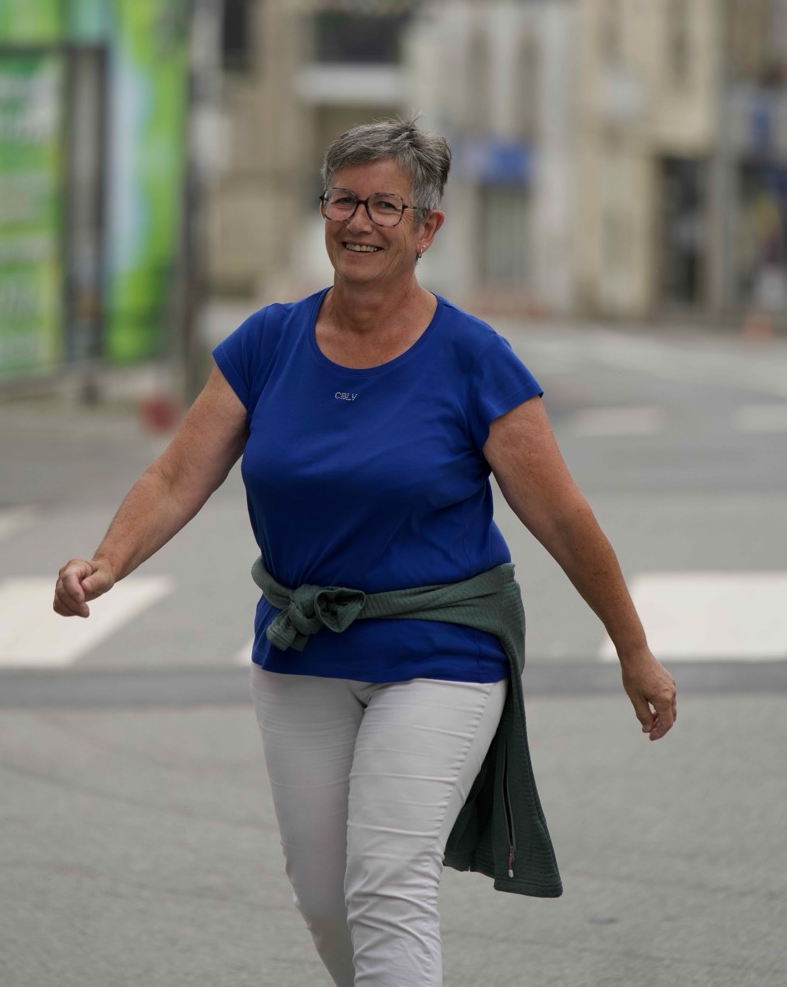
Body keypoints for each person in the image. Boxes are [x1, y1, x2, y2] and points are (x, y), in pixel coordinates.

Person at [54, 117, 677, 987]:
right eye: (344, 200)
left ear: (427, 228)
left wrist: (633, 649)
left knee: (386, 884)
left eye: (386, 206)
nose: (360, 222)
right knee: (324, 897)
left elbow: (564, 519)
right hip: (301, 647)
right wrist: (107, 561)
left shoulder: (473, 359)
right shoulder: (267, 343)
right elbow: (173, 476)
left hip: (440, 652)